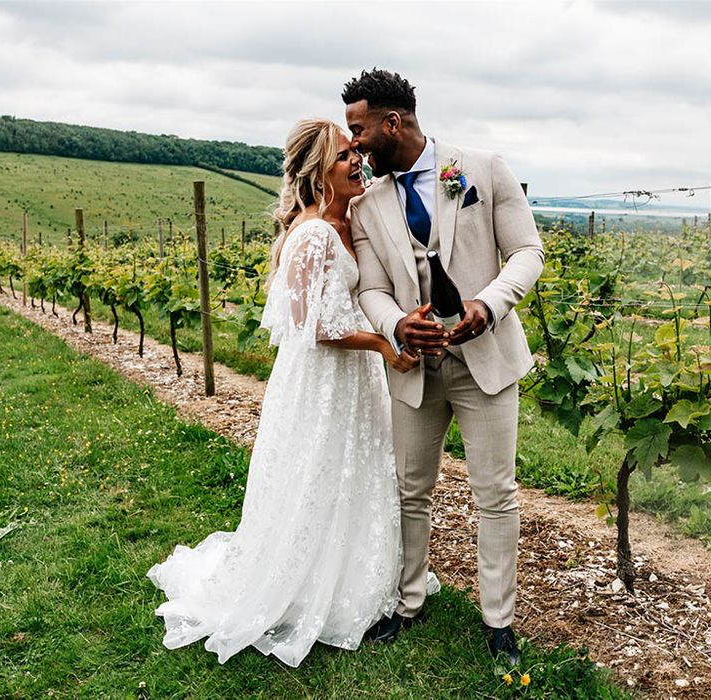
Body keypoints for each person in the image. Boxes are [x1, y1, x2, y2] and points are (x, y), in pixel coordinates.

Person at [147, 118, 418, 668]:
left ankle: (353, 576)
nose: (357, 162)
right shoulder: (313, 234)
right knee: (317, 473)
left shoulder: (347, 220)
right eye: (345, 157)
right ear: (319, 172)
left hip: (351, 378)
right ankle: (302, 586)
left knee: (352, 471)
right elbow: (315, 326)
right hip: (322, 381)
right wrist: (385, 346)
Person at [342, 69, 544, 665]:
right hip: (413, 367)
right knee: (410, 490)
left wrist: (490, 303)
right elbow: (372, 289)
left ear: (391, 123)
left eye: (359, 130)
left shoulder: (482, 169)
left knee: (496, 493)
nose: (354, 143)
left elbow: (527, 252)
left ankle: (498, 620)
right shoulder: (365, 205)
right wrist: (394, 324)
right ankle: (408, 603)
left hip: (487, 361)